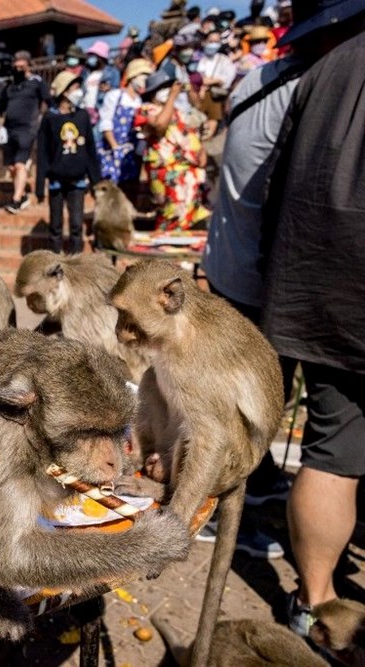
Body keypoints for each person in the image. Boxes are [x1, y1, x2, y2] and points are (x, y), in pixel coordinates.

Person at [259, 2, 365, 637]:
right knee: (335, 452)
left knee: (332, 451)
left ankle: (314, 600)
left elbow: (276, 190)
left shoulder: (319, 73)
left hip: (314, 289)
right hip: (344, 293)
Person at [137, 70, 209, 231]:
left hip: (187, 172)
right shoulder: (147, 109)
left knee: (189, 216)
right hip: (166, 173)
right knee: (171, 214)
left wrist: (200, 151)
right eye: (163, 87)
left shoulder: (176, 111)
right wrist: (172, 97)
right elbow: (160, 126)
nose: (168, 90)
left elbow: (189, 134)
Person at [35, 72, 99, 253]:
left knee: (76, 225)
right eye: (75, 88)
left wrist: (96, 181)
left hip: (77, 181)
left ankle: (76, 261)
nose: (79, 91)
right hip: (56, 181)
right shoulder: (50, 118)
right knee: (55, 226)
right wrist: (40, 185)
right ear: (64, 91)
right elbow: (42, 153)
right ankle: (55, 260)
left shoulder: (82, 116)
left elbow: (90, 150)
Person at [0, 50, 50, 214]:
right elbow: (0, 106)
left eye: (21, 66)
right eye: (15, 65)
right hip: (9, 128)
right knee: (11, 167)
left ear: (28, 65)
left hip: (27, 128)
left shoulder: (36, 82)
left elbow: (47, 100)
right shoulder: (9, 85)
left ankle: (16, 200)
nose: (17, 68)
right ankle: (22, 194)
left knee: (19, 164)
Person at [97, 58, 153, 203]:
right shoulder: (115, 96)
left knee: (131, 188)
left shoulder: (140, 102)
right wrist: (115, 146)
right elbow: (106, 123)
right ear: (133, 77)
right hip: (113, 150)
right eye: (143, 77)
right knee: (112, 189)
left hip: (133, 151)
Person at [196, 30, 238, 136]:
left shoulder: (223, 59)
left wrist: (210, 81)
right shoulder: (197, 57)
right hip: (197, 94)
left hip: (215, 95)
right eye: (211, 41)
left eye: (216, 42)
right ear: (205, 41)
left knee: (212, 121)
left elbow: (226, 79)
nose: (213, 44)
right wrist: (211, 81)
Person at [82, 41, 121, 125]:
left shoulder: (112, 72)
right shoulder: (86, 73)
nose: (91, 57)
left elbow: (116, 91)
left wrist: (109, 89)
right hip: (85, 110)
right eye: (90, 55)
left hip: (101, 111)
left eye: (94, 55)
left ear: (101, 57)